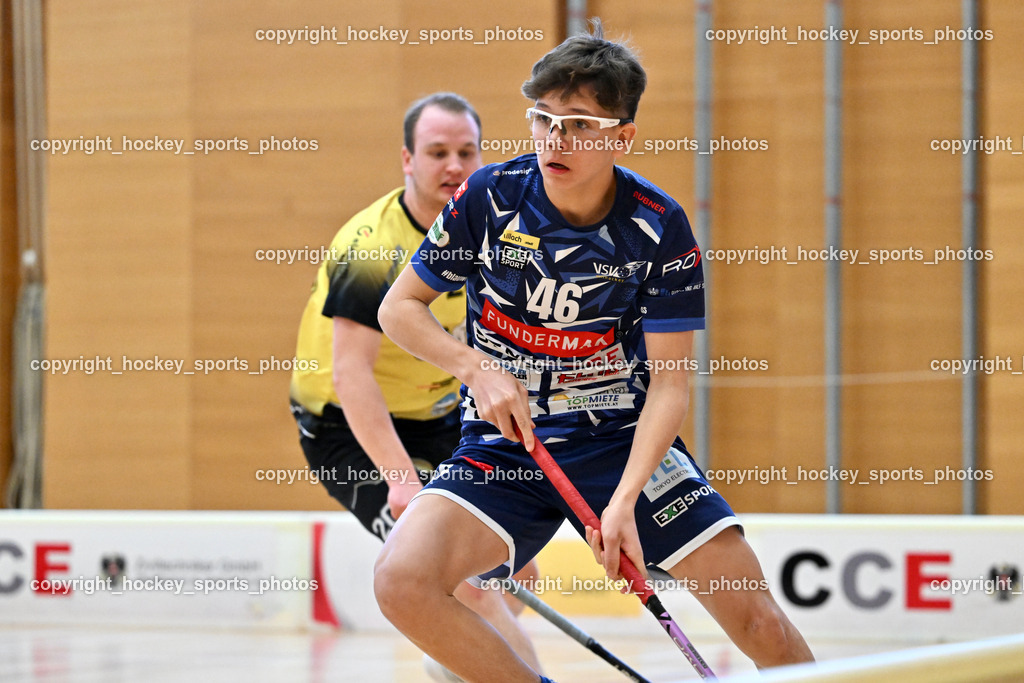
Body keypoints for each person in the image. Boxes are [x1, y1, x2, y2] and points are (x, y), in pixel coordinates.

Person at [373, 22, 815, 683]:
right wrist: (475, 367)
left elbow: (669, 386)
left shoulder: (658, 226)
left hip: (621, 440)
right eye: (544, 119)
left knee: (763, 626)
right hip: (508, 444)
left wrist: (626, 498)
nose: (556, 138)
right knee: (401, 580)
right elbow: (398, 309)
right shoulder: (489, 198)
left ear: (622, 136)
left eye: (580, 123)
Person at [289, 92, 540, 679]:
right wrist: (399, 477)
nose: (454, 166)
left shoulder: (491, 235)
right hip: (347, 425)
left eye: (466, 152)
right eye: (437, 152)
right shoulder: (372, 247)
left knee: (514, 575)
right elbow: (351, 373)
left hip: (442, 415)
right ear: (407, 159)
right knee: (464, 582)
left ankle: (448, 661)